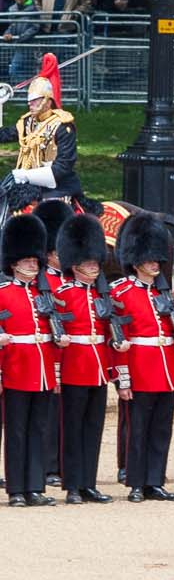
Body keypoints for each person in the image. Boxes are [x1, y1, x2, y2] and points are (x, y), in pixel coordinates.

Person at [112, 213, 174, 502]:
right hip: (139, 370)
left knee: (161, 430)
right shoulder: (122, 292)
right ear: (136, 260)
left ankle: (155, 481)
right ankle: (136, 483)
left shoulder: (163, 293)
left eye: (157, 259)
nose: (156, 264)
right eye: (150, 259)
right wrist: (123, 380)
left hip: (166, 370)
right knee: (138, 430)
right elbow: (119, 340)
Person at [52, 214, 115, 504]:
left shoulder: (102, 296)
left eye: (95, 263)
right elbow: (56, 337)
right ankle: (73, 486)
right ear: (75, 265)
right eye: (88, 263)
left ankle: (88, 483)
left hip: (98, 369)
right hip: (73, 369)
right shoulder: (62, 294)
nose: (94, 267)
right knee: (72, 429)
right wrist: (56, 373)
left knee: (93, 429)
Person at [0, 215, 57, 507]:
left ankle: (35, 487)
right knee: (17, 431)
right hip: (15, 369)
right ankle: (16, 490)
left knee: (38, 430)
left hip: (42, 370)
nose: (33, 265)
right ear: (13, 264)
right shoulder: (3, 294)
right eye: (27, 261)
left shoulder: (44, 294)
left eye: (35, 261)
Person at [0, 54, 80, 210]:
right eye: (29, 100)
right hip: (28, 185)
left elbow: (63, 167)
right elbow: (2, 135)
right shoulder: (27, 123)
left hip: (57, 188)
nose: (30, 104)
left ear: (48, 101)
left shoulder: (63, 126)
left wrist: (26, 175)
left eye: (35, 100)